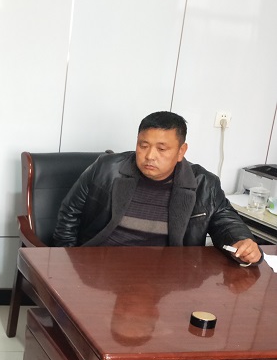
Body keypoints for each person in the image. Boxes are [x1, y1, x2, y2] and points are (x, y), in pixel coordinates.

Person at [52, 110, 263, 265]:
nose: (150, 156)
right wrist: (68, 260)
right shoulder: (107, 168)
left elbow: (226, 223)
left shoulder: (203, 184)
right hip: (98, 269)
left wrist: (243, 242)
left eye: (162, 149)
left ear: (181, 151)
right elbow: (69, 214)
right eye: (143, 146)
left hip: (165, 277)